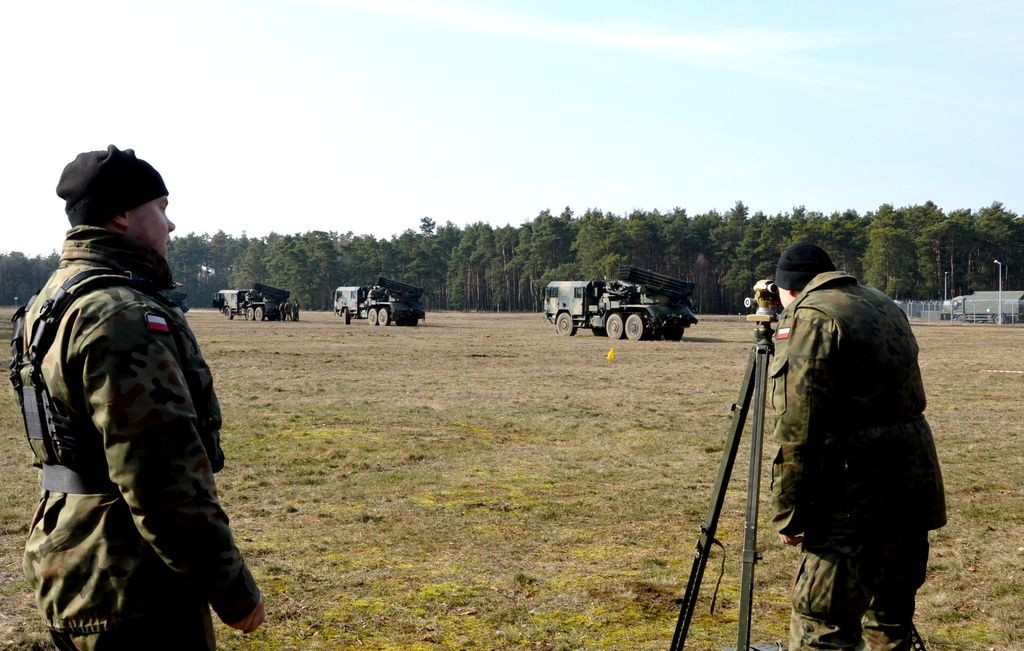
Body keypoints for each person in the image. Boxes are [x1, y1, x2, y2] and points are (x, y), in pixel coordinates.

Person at [12, 145, 265, 650]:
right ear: (122, 215)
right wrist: (233, 589)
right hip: (133, 582)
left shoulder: (52, 300)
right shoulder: (119, 314)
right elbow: (159, 476)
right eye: (162, 209)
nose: (171, 226)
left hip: (73, 555)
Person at [769, 242, 946, 650]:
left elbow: (799, 424)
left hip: (852, 497)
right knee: (890, 622)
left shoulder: (812, 315)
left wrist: (789, 512)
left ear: (790, 288)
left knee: (822, 627)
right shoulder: (882, 303)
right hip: (912, 489)